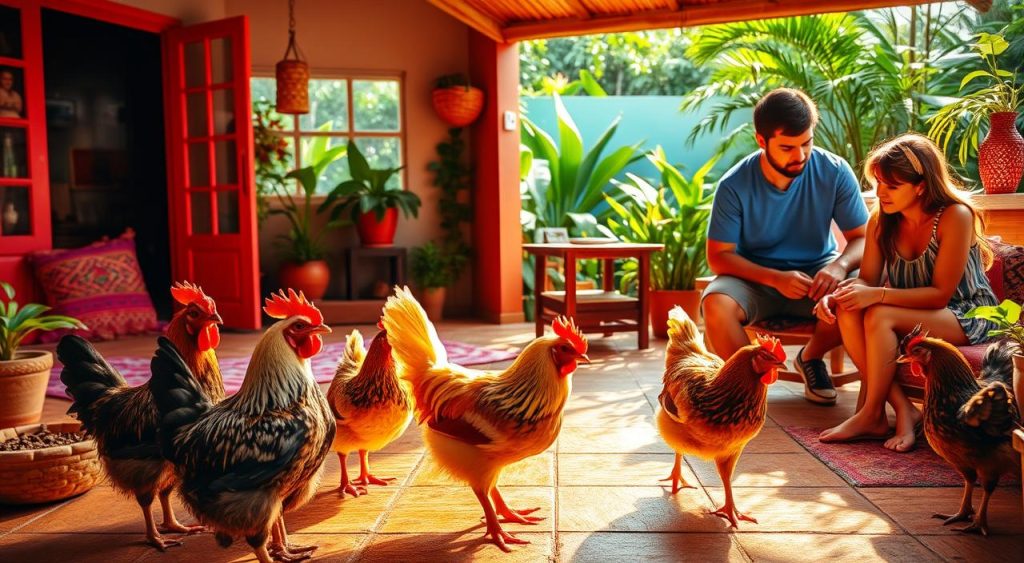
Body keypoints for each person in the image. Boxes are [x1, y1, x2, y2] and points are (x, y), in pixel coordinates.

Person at [816, 133, 998, 452]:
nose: (880, 193)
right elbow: (867, 281)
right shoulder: (881, 220)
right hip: (912, 313)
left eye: (891, 185)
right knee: (848, 308)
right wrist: (839, 294)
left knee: (879, 314)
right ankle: (901, 410)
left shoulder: (955, 216)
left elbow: (941, 294)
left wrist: (878, 296)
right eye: (878, 184)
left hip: (967, 314)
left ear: (921, 185)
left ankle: (872, 412)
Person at [702, 88, 869, 406]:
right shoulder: (734, 185)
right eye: (788, 147)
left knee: (861, 285)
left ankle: (811, 357)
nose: (801, 155)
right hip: (754, 282)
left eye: (807, 142)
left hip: (819, 278)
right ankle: (748, 388)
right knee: (715, 303)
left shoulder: (834, 171)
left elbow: (862, 237)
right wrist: (775, 278)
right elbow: (718, 257)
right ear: (761, 141)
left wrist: (839, 266)